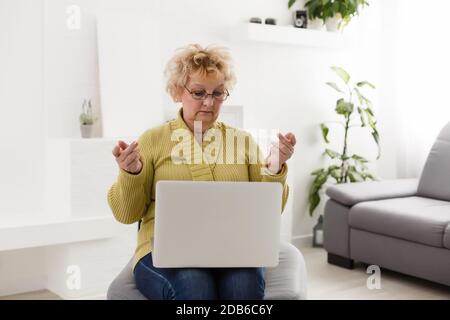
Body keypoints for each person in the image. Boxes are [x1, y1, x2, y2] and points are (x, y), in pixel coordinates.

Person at [107, 44, 297, 300]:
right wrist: (131, 174)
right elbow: (126, 214)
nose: (209, 102)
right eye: (198, 93)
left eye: (218, 93)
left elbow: (270, 210)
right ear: (177, 91)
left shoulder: (243, 141)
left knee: (243, 286)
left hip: (234, 247)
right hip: (163, 251)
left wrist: (275, 167)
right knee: (194, 285)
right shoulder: (152, 140)